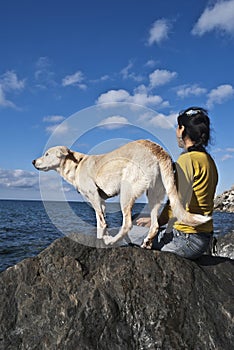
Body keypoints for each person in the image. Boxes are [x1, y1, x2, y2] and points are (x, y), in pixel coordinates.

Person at [136, 106, 218, 259]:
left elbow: (177, 203)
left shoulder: (187, 160)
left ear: (182, 130)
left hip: (187, 238)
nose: (176, 131)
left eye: (177, 127)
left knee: (131, 236)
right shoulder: (208, 160)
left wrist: (156, 222)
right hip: (203, 236)